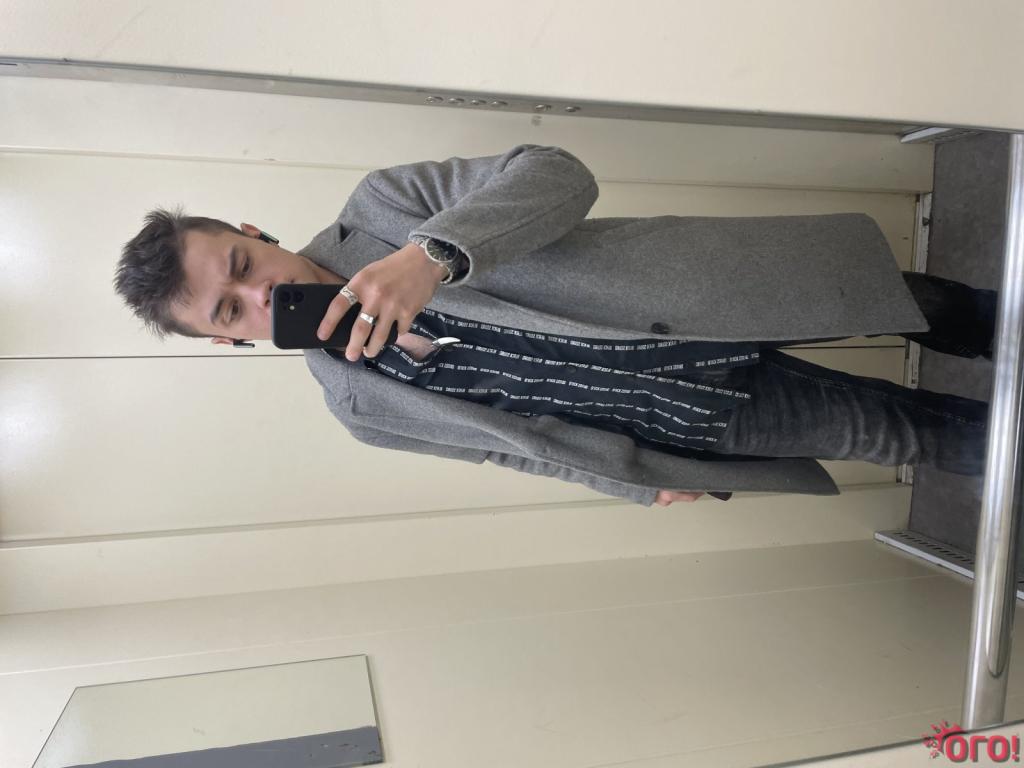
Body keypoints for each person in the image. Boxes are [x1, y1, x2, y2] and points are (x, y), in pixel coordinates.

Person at [113, 143, 997, 507]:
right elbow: (507, 449)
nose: (260, 292)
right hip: (685, 417)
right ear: (229, 341)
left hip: (709, 294)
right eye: (232, 310)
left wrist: (432, 256)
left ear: (253, 232)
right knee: (896, 433)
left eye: (242, 265)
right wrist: (634, 485)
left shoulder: (383, 208)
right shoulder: (358, 408)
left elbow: (558, 174)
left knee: (926, 307)